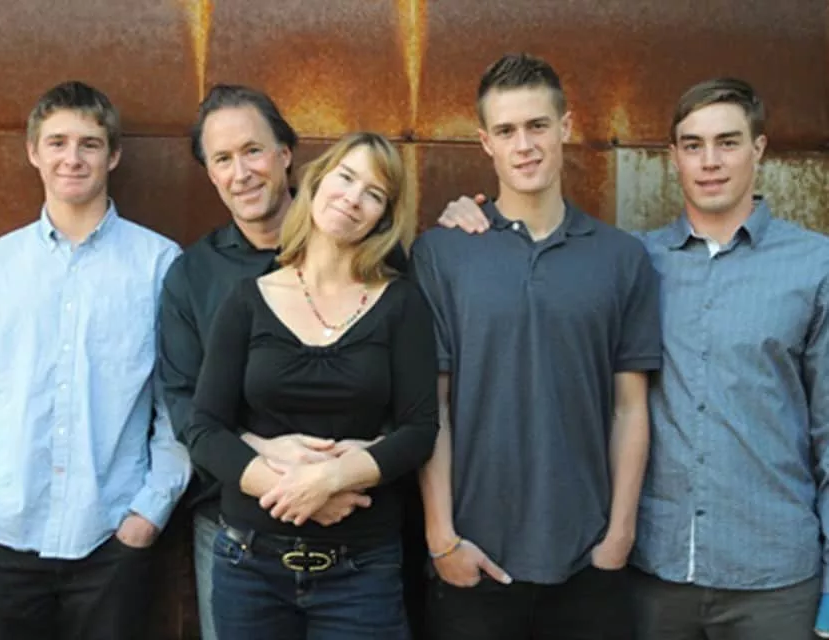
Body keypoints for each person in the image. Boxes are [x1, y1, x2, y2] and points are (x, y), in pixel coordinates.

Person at [157, 85, 427, 639]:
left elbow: (417, 419)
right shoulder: (204, 278)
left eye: (253, 151)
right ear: (210, 173)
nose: (241, 172)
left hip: (361, 542)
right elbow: (191, 410)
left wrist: (332, 478)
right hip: (243, 533)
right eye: (223, 159)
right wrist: (279, 472)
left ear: (287, 156)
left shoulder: (392, 281)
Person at [411, 53, 661, 640]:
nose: (523, 145)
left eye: (537, 126)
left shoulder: (622, 258)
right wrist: (442, 538)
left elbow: (629, 408)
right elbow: (432, 409)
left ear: (565, 127)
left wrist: (619, 535)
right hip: (473, 560)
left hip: (588, 563)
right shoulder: (443, 254)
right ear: (486, 143)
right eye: (506, 131)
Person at [0, 81, 191, 640]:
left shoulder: (158, 264)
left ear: (113, 155)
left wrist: (147, 515)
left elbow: (176, 406)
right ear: (33, 152)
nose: (72, 158)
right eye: (57, 142)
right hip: (2, 542)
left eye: (89, 144)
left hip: (110, 547)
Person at [627, 78, 829, 640]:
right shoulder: (634, 261)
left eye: (728, 142)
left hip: (774, 580)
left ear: (758, 149)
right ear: (673, 157)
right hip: (656, 574)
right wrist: (474, 218)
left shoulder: (816, 266)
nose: (710, 161)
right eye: (693, 145)